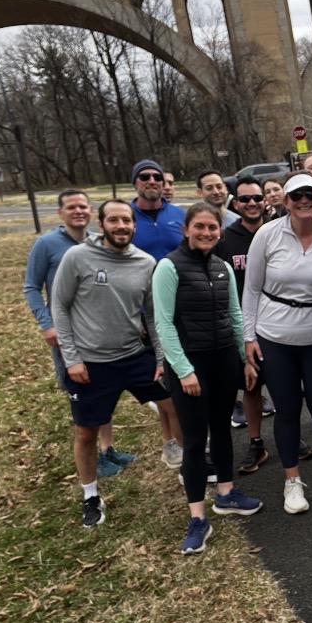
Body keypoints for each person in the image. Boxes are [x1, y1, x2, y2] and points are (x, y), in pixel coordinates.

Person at [50, 199, 182, 528]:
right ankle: (90, 495)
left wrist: (161, 357)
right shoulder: (77, 257)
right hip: (91, 363)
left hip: (134, 356)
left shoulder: (145, 262)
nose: (121, 226)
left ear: (134, 226)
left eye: (127, 220)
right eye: (114, 220)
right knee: (86, 432)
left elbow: (152, 316)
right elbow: (60, 307)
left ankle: (183, 460)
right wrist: (72, 359)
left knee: (175, 403)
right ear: (102, 223)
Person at [242, 172, 312, 514]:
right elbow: (251, 288)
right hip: (274, 336)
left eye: (310, 193)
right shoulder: (267, 234)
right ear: (286, 200)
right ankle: (292, 480)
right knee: (287, 409)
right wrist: (249, 336)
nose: (304, 200)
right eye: (296, 195)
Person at [153, 202, 262, 554]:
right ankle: (198, 517)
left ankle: (227, 494)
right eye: (199, 227)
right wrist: (183, 370)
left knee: (223, 430)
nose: (206, 233)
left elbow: (233, 313)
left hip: (223, 362)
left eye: (212, 228)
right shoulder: (168, 267)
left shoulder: (222, 267)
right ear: (186, 229)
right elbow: (164, 324)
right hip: (189, 365)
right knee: (196, 440)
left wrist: (243, 359)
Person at [24, 189, 137, 479]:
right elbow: (31, 287)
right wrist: (47, 324)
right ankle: (92, 454)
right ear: (61, 213)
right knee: (80, 393)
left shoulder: (97, 243)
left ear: (92, 214)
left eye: (83, 207)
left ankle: (106, 449)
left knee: (102, 392)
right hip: (66, 333)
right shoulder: (46, 244)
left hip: (96, 332)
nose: (78, 211)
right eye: (71, 207)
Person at [213, 177, 285, 476]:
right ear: (235, 203)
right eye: (245, 200)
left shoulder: (279, 232)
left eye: (257, 198)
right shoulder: (225, 240)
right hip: (242, 327)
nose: (252, 204)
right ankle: (256, 442)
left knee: (285, 388)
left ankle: (289, 435)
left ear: (264, 201)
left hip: (279, 323)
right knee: (251, 387)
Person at [128, 158, 188, 468]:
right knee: (163, 380)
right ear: (135, 183)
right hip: (146, 314)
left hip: (184, 307)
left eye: (157, 177)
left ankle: (189, 432)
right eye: (145, 177)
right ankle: (171, 441)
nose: (152, 181)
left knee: (187, 372)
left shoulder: (179, 215)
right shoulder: (127, 217)